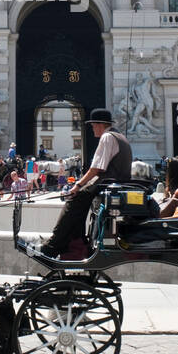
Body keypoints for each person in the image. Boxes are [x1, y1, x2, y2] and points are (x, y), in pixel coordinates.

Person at [34, 107, 132, 259]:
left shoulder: (107, 137)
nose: (92, 129)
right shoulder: (120, 136)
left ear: (100, 124)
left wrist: (78, 185)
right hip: (117, 184)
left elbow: (97, 168)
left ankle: (54, 245)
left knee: (75, 198)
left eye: (93, 126)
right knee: (80, 201)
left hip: (107, 183)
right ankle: (76, 240)